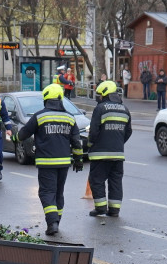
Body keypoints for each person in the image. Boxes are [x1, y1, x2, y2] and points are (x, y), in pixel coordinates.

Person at [17, 82, 84, 236]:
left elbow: (23, 134)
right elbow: (76, 141)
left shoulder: (40, 116)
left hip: (46, 163)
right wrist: (79, 159)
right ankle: (57, 221)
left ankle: (52, 223)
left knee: (46, 193)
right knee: (59, 193)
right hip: (64, 163)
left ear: (46, 99)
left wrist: (14, 137)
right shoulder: (70, 117)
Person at [86, 80, 131, 219]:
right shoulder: (125, 109)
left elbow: (93, 131)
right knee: (115, 182)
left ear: (105, 94)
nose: (98, 97)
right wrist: (118, 143)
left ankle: (100, 208)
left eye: (99, 94)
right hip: (118, 154)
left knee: (96, 180)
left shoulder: (100, 108)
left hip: (100, 154)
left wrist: (90, 145)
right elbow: (128, 132)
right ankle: (114, 210)